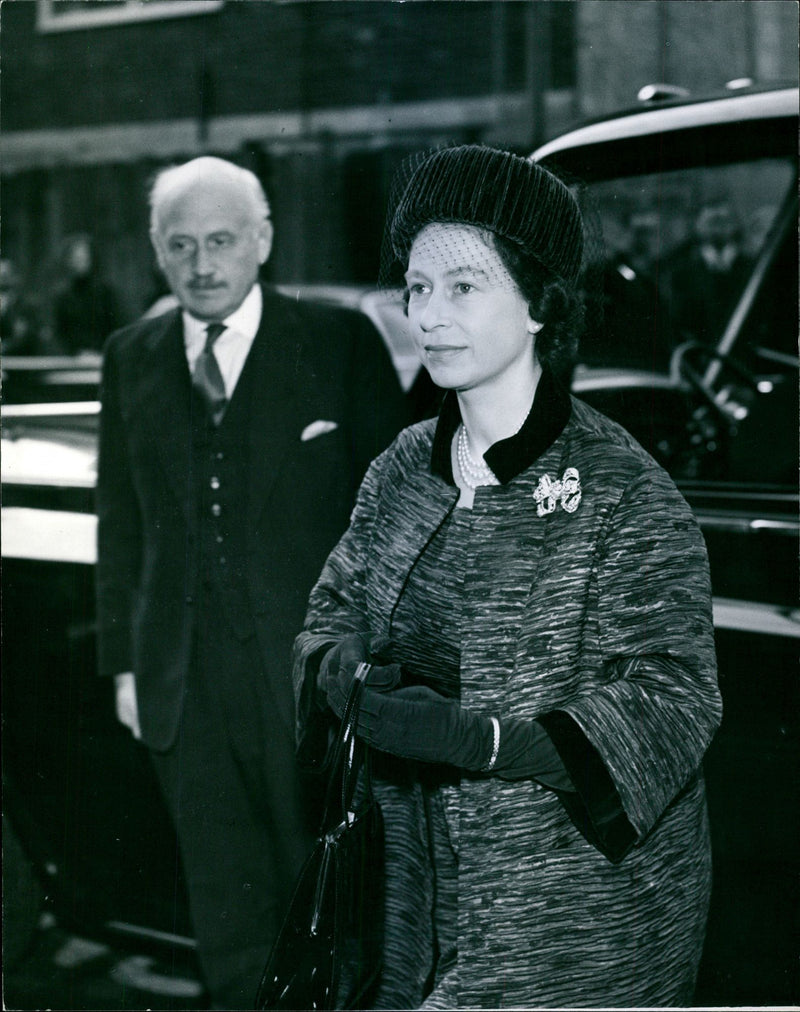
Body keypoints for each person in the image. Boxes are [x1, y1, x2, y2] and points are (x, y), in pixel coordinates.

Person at [293, 145, 722, 1009]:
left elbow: (674, 698)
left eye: (463, 286)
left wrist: (480, 740)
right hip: (417, 901)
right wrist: (344, 669)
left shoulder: (621, 489)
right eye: (416, 287)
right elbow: (330, 607)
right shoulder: (403, 467)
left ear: (538, 305)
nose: (429, 315)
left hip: (575, 923)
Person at [94, 156, 408, 1009]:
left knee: (336, 913)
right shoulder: (131, 357)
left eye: (222, 240)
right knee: (228, 923)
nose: (202, 263)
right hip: (182, 689)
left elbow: (398, 518)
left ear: (262, 241)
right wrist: (125, 669)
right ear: (158, 252)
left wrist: (381, 666)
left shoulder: (339, 344)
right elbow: (120, 525)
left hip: (314, 685)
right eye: (181, 244)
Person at [54, 233, 121, 353]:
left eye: (84, 258)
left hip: (101, 357)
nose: (81, 262)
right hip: (72, 360)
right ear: (69, 261)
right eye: (76, 258)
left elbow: (115, 327)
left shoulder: (105, 292)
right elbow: (59, 332)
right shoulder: (62, 296)